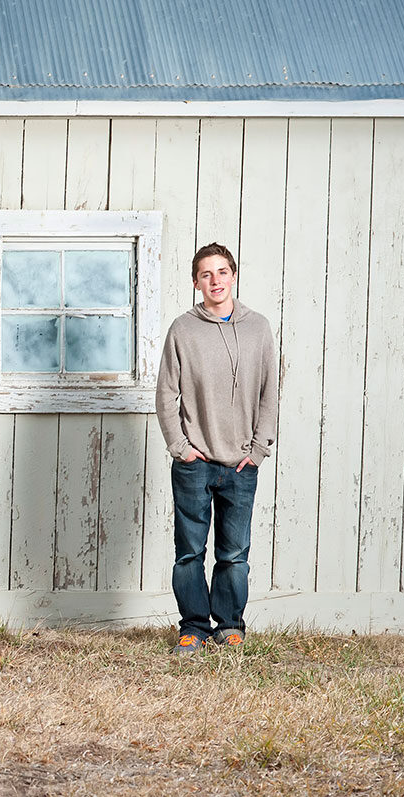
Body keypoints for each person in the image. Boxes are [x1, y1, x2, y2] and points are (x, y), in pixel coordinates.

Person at [156, 242, 276, 655]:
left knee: (234, 553)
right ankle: (193, 627)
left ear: (233, 275)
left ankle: (229, 625)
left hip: (241, 462)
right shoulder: (182, 330)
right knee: (189, 552)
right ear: (196, 283)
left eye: (222, 272)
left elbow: (269, 394)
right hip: (195, 462)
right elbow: (165, 393)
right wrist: (180, 447)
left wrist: (259, 450)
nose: (215, 281)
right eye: (206, 274)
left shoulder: (258, 328)